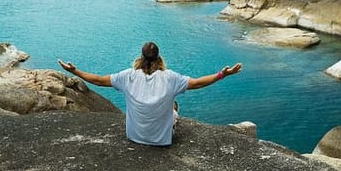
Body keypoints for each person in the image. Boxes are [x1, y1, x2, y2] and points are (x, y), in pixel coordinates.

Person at [58, 41, 242, 146]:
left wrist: (74, 71)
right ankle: (171, 119)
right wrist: (222, 74)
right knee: (173, 105)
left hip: (135, 136)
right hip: (161, 140)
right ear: (159, 57)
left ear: (141, 57)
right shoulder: (170, 77)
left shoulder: (127, 76)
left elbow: (98, 80)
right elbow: (197, 83)